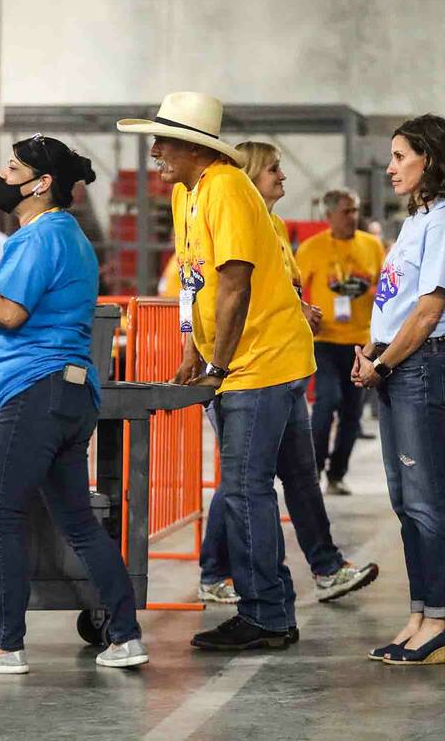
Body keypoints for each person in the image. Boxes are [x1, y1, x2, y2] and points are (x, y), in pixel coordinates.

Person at [0, 134, 148, 672]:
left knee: (2, 513)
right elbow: (17, 298)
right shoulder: (65, 235)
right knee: (77, 522)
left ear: (41, 182)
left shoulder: (38, 237)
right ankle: (125, 635)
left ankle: (5, 643)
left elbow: (9, 315)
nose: (3, 178)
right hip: (70, 394)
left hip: (36, 390)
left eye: (12, 168)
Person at [119, 92, 316, 651]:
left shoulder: (227, 188)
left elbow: (235, 283)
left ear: (193, 147)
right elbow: (194, 281)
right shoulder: (188, 193)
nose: (154, 152)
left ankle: (267, 616)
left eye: (162, 142)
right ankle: (272, 608)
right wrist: (191, 347)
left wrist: (217, 364)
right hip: (237, 362)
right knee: (252, 487)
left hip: (260, 362)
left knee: (245, 490)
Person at [196, 146, 377, 607]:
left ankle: (328, 568)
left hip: (287, 363)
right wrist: (207, 362)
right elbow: (225, 290)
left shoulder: (275, 227)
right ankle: (222, 575)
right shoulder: (236, 220)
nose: (284, 177)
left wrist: (301, 308)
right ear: (253, 175)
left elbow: (280, 286)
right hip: (251, 369)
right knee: (243, 481)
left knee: (297, 475)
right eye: (275, 169)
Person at [352, 113, 445, 666]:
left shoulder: (444, 221)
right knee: (406, 501)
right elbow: (398, 304)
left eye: (401, 156)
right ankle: (421, 611)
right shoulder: (417, 220)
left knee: (426, 502)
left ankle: (441, 621)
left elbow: (428, 312)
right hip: (397, 364)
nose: (390, 166)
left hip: (420, 366)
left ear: (431, 159)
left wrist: (384, 363)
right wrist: (373, 353)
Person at [295, 188, 385, 494]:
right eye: (346, 212)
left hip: (362, 343)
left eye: (356, 210)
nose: (353, 217)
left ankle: (337, 474)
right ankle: (315, 470)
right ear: (329, 215)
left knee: (352, 411)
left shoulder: (373, 246)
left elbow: (386, 288)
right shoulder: (311, 249)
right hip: (325, 341)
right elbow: (291, 290)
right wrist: (303, 315)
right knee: (327, 401)